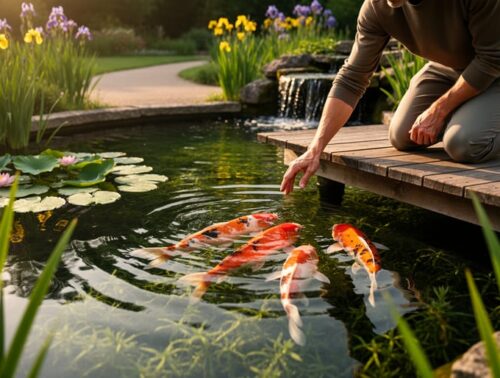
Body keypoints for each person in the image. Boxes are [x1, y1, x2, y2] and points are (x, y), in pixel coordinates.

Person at [280, 0, 500, 195]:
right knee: (403, 135)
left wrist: (439, 109)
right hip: (448, 68)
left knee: (463, 144)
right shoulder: (376, 6)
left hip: (494, 66)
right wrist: (314, 149)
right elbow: (351, 78)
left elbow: (492, 59)